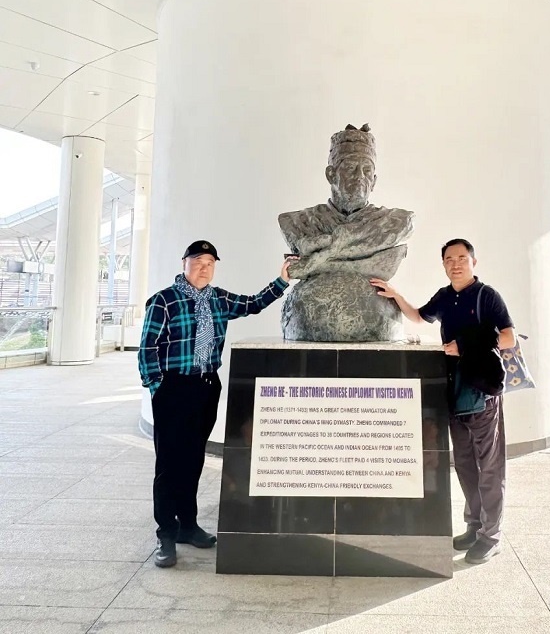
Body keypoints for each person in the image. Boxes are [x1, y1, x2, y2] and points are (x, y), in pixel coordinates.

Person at [138, 239, 294, 568]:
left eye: (209, 262)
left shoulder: (219, 298)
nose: (204, 267)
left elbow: (253, 303)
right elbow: (148, 347)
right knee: (169, 464)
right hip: (173, 388)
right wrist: (156, 387)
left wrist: (282, 280)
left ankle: (188, 525)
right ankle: (166, 534)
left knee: (194, 458)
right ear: (184, 263)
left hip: (206, 386)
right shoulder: (164, 301)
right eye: (197, 261)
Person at [370, 238, 515, 564]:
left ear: (473, 262)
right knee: (465, 465)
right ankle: (474, 526)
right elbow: (420, 317)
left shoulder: (487, 296)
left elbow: (508, 337)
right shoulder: (445, 297)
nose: (455, 263)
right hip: (454, 392)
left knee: (489, 468)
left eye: (462, 257)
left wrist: (467, 346)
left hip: (482, 393)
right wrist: (396, 295)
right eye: (449, 259)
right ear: (444, 264)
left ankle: (491, 536)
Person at [279, 124, 413, 341]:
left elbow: (300, 268)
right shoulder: (298, 223)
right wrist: (365, 258)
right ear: (331, 174)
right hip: (307, 324)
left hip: (379, 326)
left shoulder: (394, 222)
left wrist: (315, 260)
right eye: (350, 168)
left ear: (374, 181)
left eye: (367, 171)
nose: (360, 177)